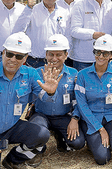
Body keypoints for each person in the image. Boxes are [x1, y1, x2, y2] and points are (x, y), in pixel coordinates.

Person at [0, 32, 60, 169]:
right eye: (9, 54)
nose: (13, 59)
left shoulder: (30, 75)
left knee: (41, 134)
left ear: (25, 58)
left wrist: (50, 93)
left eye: (18, 56)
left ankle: (14, 160)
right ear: (3, 52)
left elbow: (43, 97)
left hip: (11, 127)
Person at [74, 34, 112, 165]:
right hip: (91, 119)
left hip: (111, 116)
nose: (100, 56)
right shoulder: (82, 75)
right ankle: (94, 142)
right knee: (102, 159)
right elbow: (82, 105)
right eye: (97, 52)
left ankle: (102, 142)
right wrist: (100, 129)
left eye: (105, 53)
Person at [28, 34, 85, 162]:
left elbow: (78, 100)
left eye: (58, 54)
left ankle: (59, 134)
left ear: (66, 55)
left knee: (78, 143)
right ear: (46, 54)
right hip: (41, 114)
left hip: (63, 115)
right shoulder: (36, 73)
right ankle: (41, 141)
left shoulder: (74, 74)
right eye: (51, 54)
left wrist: (75, 119)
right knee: (36, 142)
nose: (54, 58)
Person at [15, 0, 70, 69]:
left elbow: (68, 37)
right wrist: (28, 9)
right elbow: (18, 30)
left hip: (56, 62)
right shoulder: (32, 10)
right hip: (34, 62)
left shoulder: (65, 12)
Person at [69, 0, 112, 71]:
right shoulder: (80, 6)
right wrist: (93, 35)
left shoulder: (110, 4)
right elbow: (74, 30)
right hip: (84, 59)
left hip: (105, 56)